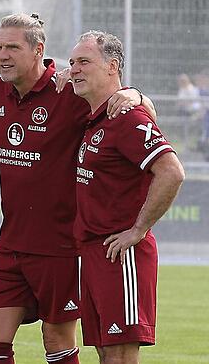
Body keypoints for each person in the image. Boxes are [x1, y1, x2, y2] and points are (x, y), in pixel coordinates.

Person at [0, 14, 155, 364]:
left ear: (38, 51)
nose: (3, 55)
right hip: (12, 241)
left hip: (61, 243)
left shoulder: (69, 91)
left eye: (12, 47)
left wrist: (136, 95)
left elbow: (130, 110)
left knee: (56, 334)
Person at [70, 31, 184, 364]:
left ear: (112, 67)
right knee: (107, 353)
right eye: (73, 62)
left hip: (122, 253)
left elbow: (172, 171)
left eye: (84, 62)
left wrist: (138, 230)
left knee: (120, 355)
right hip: (95, 251)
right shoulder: (95, 118)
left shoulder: (127, 117)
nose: (75, 69)